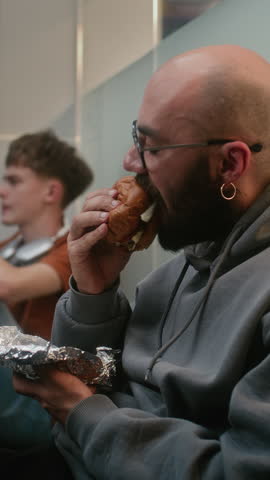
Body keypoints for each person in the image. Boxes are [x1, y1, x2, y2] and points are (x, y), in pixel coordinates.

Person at [13, 44, 270, 479]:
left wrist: (79, 411)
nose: (130, 162)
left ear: (230, 163)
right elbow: (85, 402)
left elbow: (234, 471)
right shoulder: (172, 273)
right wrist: (93, 292)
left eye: (151, 147)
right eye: (138, 137)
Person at [0, 129, 93, 339]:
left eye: (14, 181)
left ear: (51, 192)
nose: (1, 191)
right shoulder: (6, 249)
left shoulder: (74, 253)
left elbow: (8, 286)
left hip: (37, 372)